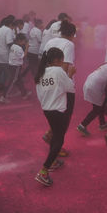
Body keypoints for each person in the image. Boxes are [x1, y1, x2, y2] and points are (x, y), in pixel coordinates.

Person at [34, 48, 75, 187]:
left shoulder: (41, 73)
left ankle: (52, 162)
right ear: (57, 60)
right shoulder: (58, 71)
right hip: (58, 110)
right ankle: (44, 171)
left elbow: (40, 95)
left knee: (56, 136)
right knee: (59, 139)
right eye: (63, 60)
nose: (63, 63)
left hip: (47, 109)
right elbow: (70, 87)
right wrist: (70, 74)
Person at [76, 62, 107, 136]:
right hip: (95, 87)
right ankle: (82, 125)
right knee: (97, 109)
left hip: (89, 83)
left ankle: (102, 124)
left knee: (100, 105)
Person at [0, 33, 30, 103]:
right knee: (12, 81)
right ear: (19, 40)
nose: (24, 43)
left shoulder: (13, 46)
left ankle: (24, 93)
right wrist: (27, 48)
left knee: (19, 80)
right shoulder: (18, 48)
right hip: (16, 66)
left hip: (12, 65)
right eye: (24, 41)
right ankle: (3, 96)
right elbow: (23, 56)